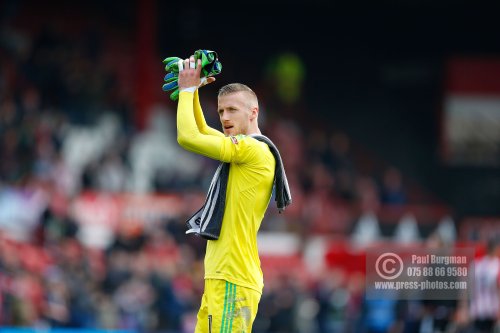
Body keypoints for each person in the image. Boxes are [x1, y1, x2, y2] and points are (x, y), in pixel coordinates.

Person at [175, 56, 291, 333]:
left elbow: (187, 137)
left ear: (253, 112)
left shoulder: (253, 149)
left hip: (234, 278)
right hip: (222, 276)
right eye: (221, 111)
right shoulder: (244, 149)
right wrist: (194, 90)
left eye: (232, 110)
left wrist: (185, 90)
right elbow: (202, 130)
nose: (225, 118)